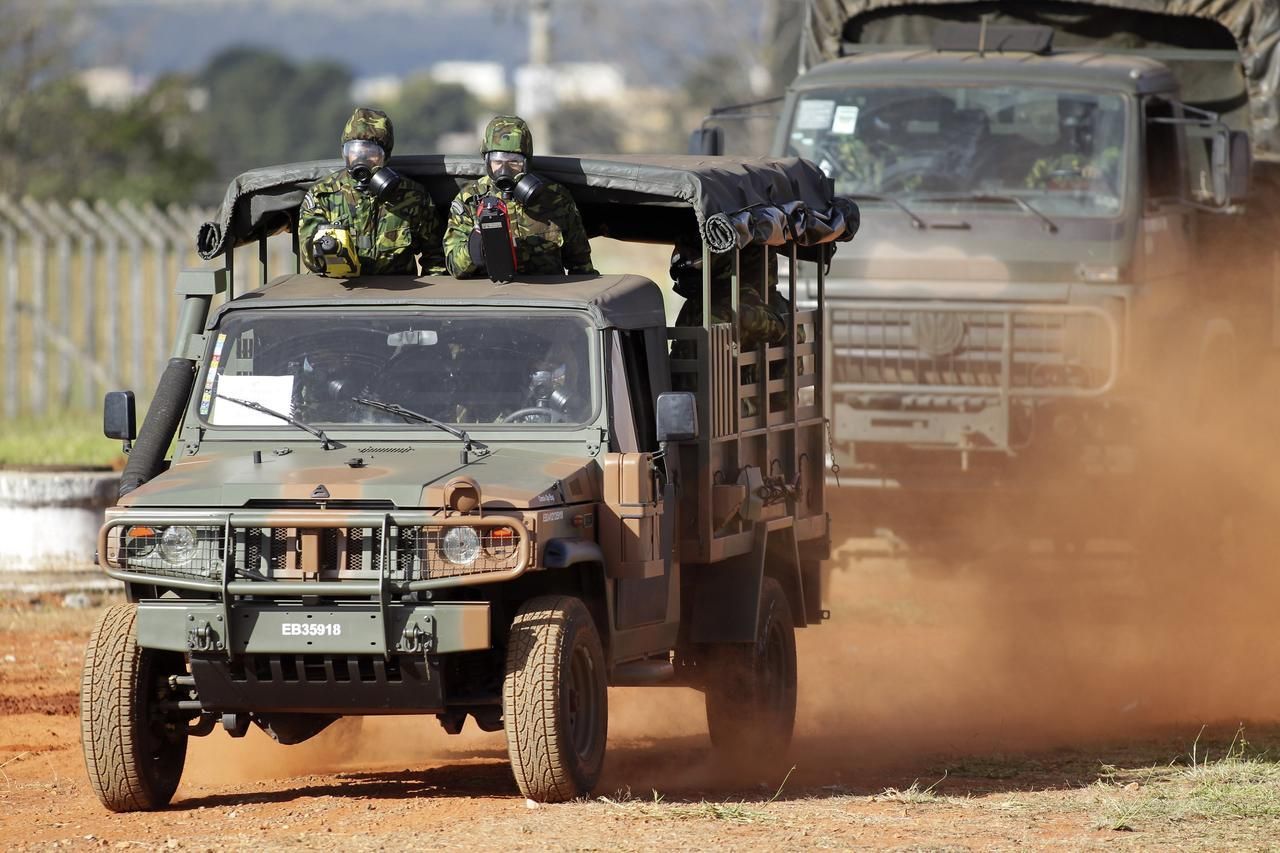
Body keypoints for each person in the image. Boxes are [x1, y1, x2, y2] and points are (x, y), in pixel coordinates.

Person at [298, 107, 446, 277]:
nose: (362, 158)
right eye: (354, 151)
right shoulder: (323, 195)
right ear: (344, 153)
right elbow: (309, 256)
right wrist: (325, 246)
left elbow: (436, 258)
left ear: (386, 156)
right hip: (339, 294)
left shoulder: (413, 196)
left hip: (397, 296)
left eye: (371, 152)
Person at [443, 115, 596, 278]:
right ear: (487, 162)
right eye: (497, 161)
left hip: (545, 296)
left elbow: (581, 266)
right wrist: (479, 237)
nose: (504, 169)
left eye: (514, 162)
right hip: (489, 297)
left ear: (526, 162)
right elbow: (455, 268)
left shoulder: (555, 197)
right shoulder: (468, 199)